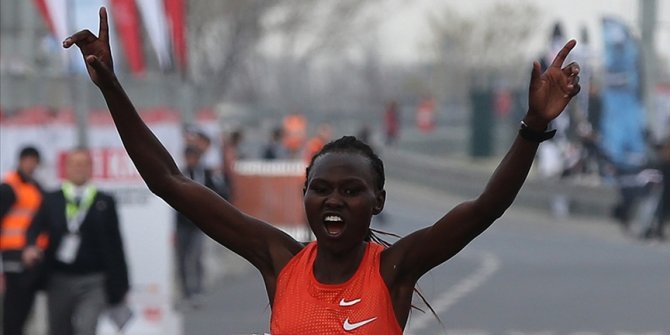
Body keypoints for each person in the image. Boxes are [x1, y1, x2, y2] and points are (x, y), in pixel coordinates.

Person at [63, 8, 580, 332]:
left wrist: (532, 128)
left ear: (377, 201)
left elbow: (485, 208)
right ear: (304, 195)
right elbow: (170, 182)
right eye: (322, 189)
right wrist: (111, 85)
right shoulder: (278, 260)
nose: (334, 200)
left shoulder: (394, 268)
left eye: (352, 190)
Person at [23, 148, 129, 335]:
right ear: (66, 168)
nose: (79, 168)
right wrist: (31, 247)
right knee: (59, 328)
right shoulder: (52, 199)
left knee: (86, 327)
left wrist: (121, 284)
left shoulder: (104, 201)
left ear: (91, 168)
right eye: (74, 164)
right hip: (59, 278)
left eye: (84, 164)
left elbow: (116, 243)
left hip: (94, 279)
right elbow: (33, 229)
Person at [0, 146, 46, 335]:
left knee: (26, 300)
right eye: (28, 160)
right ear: (20, 161)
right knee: (14, 301)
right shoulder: (10, 185)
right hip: (13, 250)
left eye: (34, 160)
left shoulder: (35, 186)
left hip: (32, 251)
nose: (31, 164)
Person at [175, 145, 219, 306]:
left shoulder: (205, 174)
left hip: (199, 223)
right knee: (182, 258)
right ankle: (186, 291)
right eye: (189, 157)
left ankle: (198, 289)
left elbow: (215, 194)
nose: (192, 161)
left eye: (194, 157)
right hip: (182, 223)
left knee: (197, 256)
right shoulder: (178, 174)